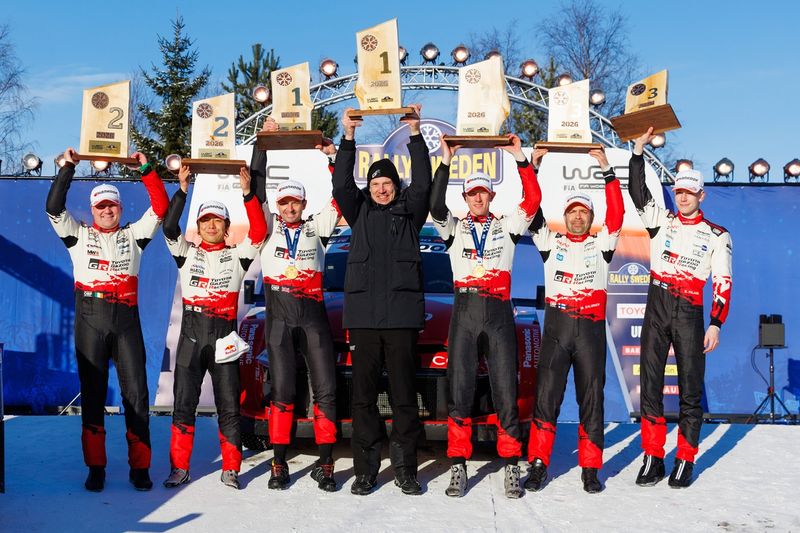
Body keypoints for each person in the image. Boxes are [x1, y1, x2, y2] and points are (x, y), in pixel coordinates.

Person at [45, 148, 169, 492]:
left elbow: (160, 208)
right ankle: (96, 467)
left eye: (111, 205)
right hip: (90, 319)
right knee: (94, 394)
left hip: (126, 320)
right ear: (93, 210)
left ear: (120, 208)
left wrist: (145, 168)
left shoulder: (135, 236)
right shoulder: (78, 236)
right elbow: (54, 207)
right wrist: (69, 167)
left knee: (137, 396)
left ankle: (140, 467)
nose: (106, 210)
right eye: (100, 206)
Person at [429, 133, 541, 499]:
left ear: (491, 196)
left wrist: (520, 158)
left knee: (505, 389)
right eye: (472, 193)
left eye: (483, 193)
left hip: (497, 310)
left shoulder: (507, 225)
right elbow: (433, 203)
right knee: (459, 390)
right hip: (464, 310)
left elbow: (534, 200)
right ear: (465, 197)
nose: (477, 198)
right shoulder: (454, 228)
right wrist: (446, 160)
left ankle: (511, 464)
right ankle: (458, 465)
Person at [332, 104, 431, 496]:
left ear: (395, 186)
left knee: (405, 400)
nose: (381, 188)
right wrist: (349, 138)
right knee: (363, 401)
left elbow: (423, 183)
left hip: (403, 320)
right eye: (375, 184)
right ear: (369, 188)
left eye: (387, 183)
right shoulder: (359, 213)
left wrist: (416, 135)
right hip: (365, 321)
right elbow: (341, 185)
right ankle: (367, 470)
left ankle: (406, 469)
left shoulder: (411, 212)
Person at [629, 127, 732, 488]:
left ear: (701, 195)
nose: (683, 196)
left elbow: (723, 282)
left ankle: (685, 458)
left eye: (689, 192)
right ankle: (653, 457)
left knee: (690, 389)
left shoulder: (718, 235)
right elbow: (638, 193)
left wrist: (716, 323)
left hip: (690, 310)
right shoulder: (662, 220)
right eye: (679, 190)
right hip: (656, 303)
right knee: (651, 386)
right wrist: (638, 152)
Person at [524, 147, 624, 494]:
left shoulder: (603, 244)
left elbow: (618, 214)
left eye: (583, 212)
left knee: (592, 398)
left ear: (590, 217)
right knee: (547, 398)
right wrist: (532, 166)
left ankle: (591, 467)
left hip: (590, 332)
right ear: (564, 217)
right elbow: (530, 209)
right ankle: (538, 464)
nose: (577, 217)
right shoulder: (551, 243)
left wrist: (606, 168)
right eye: (572, 212)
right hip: (557, 328)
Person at [162, 162, 267, 490]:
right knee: (183, 404)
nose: (210, 226)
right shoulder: (185, 253)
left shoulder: (238, 255)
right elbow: (168, 227)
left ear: (225, 226)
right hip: (192, 335)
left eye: (216, 221)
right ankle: (179, 468)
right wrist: (182, 190)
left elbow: (260, 232)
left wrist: (249, 194)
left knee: (229, 404)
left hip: (224, 335)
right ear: (199, 224)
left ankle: (231, 468)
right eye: (205, 220)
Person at [250, 118, 341, 491]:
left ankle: (327, 463)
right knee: (283, 390)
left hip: (314, 315)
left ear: (303, 203)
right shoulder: (267, 229)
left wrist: (335, 158)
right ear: (278, 204)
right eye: (284, 201)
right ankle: (278, 463)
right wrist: (263, 144)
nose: (289, 207)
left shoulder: (317, 227)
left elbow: (343, 195)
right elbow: (254, 193)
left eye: (295, 201)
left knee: (326, 389)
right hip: (280, 316)